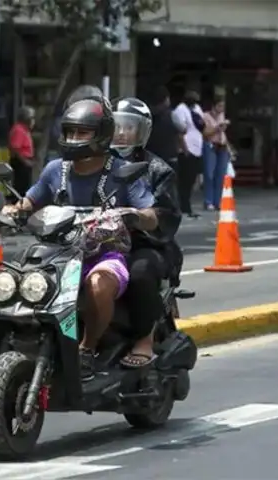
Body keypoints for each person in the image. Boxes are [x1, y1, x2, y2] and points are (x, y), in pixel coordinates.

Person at [2, 95, 158, 381]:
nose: (74, 138)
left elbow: (150, 213)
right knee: (13, 285)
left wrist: (136, 215)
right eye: (70, 132)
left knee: (98, 285)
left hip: (105, 255)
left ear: (101, 135)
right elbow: (30, 201)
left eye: (82, 133)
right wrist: (15, 209)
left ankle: (87, 348)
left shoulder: (121, 172)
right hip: (58, 254)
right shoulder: (55, 170)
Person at [111, 96, 183, 367]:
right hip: (94, 244)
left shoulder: (157, 169)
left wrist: (140, 218)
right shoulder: (93, 165)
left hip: (144, 245)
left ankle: (144, 340)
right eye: (117, 126)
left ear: (142, 132)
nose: (122, 132)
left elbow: (166, 216)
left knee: (139, 273)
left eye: (129, 127)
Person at [173, 86, 205, 218]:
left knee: (191, 180)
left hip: (197, 148)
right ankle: (183, 206)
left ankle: (186, 205)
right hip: (186, 150)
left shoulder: (197, 109)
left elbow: (202, 124)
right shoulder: (180, 110)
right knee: (184, 181)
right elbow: (180, 132)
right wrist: (184, 149)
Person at [145, 85, 186, 170]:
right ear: (166, 99)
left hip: (152, 158)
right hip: (169, 158)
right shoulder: (172, 115)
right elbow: (183, 129)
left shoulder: (146, 114)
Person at [202, 96, 231, 211]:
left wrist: (229, 147)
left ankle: (218, 201)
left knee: (221, 175)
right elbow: (205, 133)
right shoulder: (205, 116)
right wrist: (218, 128)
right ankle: (208, 201)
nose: (222, 108)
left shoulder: (222, 116)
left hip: (222, 146)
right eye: (220, 106)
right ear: (214, 106)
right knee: (209, 174)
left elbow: (223, 133)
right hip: (211, 146)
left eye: (223, 106)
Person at [8, 106, 36, 200]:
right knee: (20, 188)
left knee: (25, 187)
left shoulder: (25, 130)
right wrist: (25, 162)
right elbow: (15, 149)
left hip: (25, 162)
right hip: (20, 163)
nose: (33, 121)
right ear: (26, 119)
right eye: (32, 118)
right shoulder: (18, 130)